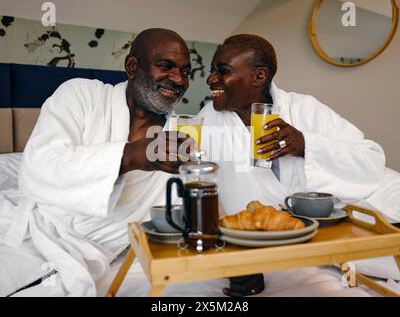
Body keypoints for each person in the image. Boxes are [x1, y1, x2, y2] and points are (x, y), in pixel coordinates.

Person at [0, 28, 193, 296]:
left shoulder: (180, 140)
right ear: (132, 66)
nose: (178, 79)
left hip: (96, 253)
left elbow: (184, 214)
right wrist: (131, 155)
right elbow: (37, 167)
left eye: (186, 72)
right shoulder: (81, 96)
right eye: (166, 66)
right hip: (34, 231)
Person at [197, 34, 386, 296]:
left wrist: (306, 145)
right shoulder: (205, 122)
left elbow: (371, 159)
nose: (210, 79)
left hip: (337, 231)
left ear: (259, 76)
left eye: (223, 71)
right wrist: (235, 262)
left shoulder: (303, 109)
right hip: (268, 247)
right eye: (211, 70)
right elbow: (194, 194)